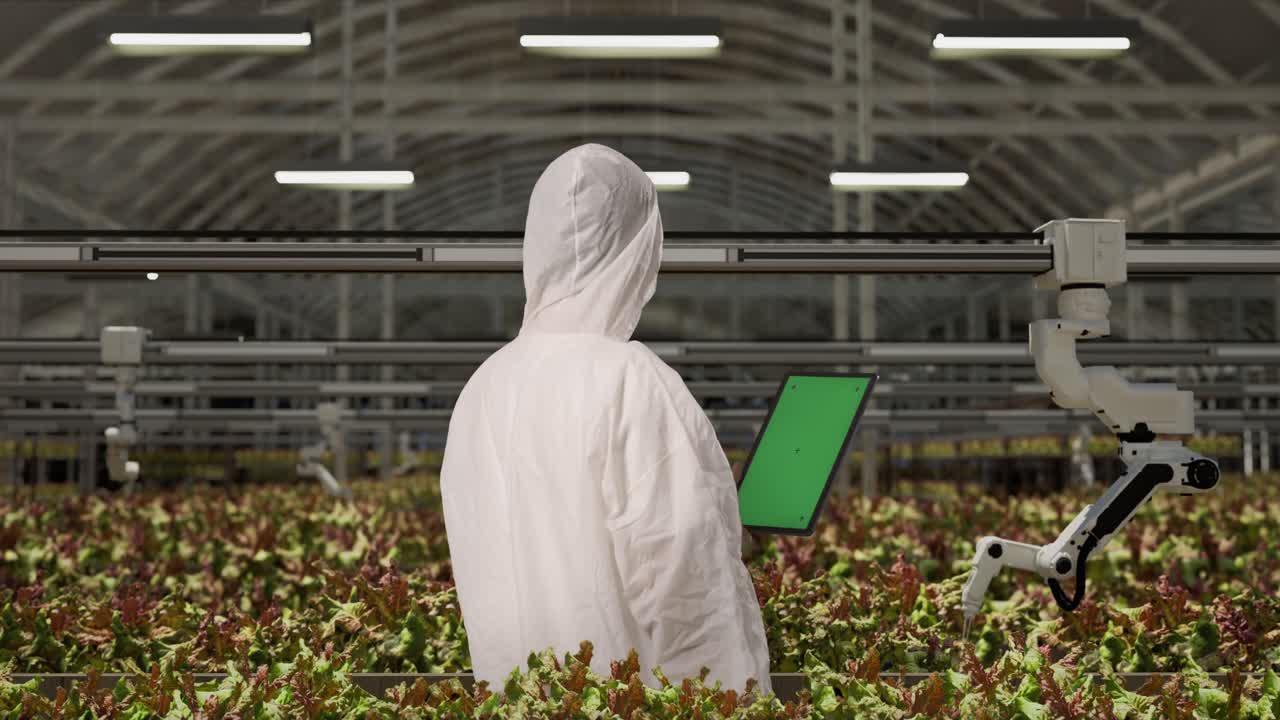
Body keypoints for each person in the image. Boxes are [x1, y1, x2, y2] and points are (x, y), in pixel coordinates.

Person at [440, 143, 771, 694]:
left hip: (517, 701)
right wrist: (731, 698)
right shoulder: (630, 379)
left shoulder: (482, 388)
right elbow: (686, 587)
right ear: (639, 251)